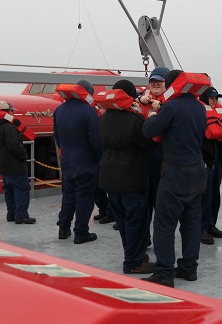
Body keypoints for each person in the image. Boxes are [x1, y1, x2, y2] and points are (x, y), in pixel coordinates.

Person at [141, 70, 207, 287]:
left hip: (175, 173)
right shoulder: (199, 106)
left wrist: (152, 115)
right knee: (191, 222)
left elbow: (149, 131)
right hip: (197, 171)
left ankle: (165, 273)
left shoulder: (171, 106)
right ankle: (189, 268)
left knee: (164, 224)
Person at [99, 79, 158, 274]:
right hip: (131, 175)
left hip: (109, 174)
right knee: (136, 219)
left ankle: (135, 254)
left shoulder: (104, 118)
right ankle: (133, 262)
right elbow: (148, 143)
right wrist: (151, 118)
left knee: (123, 220)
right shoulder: (134, 119)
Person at [54, 79, 102, 244]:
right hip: (85, 162)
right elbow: (95, 140)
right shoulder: (89, 111)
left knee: (68, 196)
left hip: (67, 161)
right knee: (85, 197)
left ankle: (63, 227)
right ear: (88, 92)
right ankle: (81, 232)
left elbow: (57, 138)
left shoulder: (59, 110)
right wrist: (98, 158)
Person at [136, 66, 169, 242]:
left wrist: (162, 106)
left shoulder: (171, 103)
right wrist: (140, 100)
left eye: (160, 81)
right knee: (144, 200)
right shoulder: (142, 101)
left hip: (163, 156)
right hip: (143, 157)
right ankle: (145, 237)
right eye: (153, 81)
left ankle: (160, 237)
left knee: (161, 201)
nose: (155, 84)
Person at [0, 100, 36, 225]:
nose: (13, 113)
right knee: (21, 189)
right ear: (6, 112)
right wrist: (24, 155)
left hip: (3, 166)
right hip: (15, 165)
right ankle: (21, 215)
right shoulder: (9, 128)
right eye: (12, 111)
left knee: (9, 190)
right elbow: (14, 146)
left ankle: (11, 214)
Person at [199, 87, 222, 245]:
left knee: (214, 193)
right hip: (205, 157)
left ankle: (211, 224)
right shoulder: (199, 111)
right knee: (204, 194)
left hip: (217, 156)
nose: (214, 100)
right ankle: (201, 228)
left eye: (216, 97)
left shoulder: (218, 110)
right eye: (211, 97)